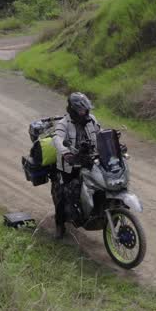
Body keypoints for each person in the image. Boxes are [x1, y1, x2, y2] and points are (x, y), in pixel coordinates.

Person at [50, 92, 100, 238]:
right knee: (64, 195)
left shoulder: (91, 119)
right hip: (69, 166)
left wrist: (114, 143)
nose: (83, 112)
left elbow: (100, 132)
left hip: (89, 161)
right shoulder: (64, 123)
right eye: (80, 110)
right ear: (72, 109)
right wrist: (66, 152)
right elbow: (57, 139)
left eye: (85, 109)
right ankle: (59, 225)